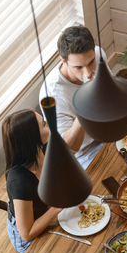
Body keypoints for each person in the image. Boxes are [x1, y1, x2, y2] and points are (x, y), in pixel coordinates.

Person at [39, 26, 108, 169]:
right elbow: (70, 148)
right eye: (78, 67)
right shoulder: (52, 94)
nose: (88, 73)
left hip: (108, 132)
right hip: (84, 154)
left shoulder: (98, 54)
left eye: (90, 63)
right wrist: (84, 106)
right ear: (64, 61)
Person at [2, 109, 62, 253]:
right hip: (27, 237)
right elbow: (27, 233)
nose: (49, 124)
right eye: (44, 124)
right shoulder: (19, 182)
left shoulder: (43, 148)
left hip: (45, 209)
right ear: (32, 139)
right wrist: (57, 207)